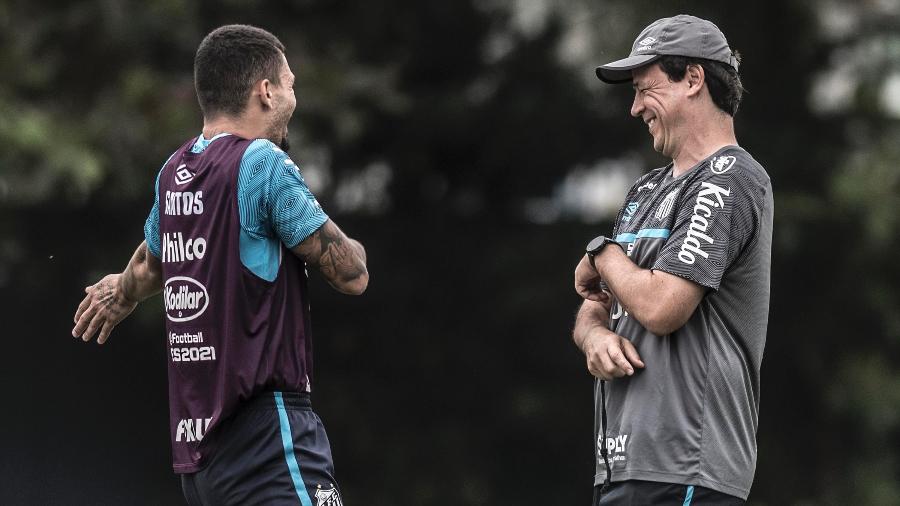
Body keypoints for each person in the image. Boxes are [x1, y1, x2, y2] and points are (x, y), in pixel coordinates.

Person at [72, 24, 366, 506]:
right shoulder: (263, 164)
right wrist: (356, 248)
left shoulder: (175, 172)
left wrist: (121, 293)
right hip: (269, 440)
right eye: (291, 84)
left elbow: (149, 265)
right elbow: (351, 275)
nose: (295, 96)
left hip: (202, 457)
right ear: (265, 92)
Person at [572, 15, 773, 505]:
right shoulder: (646, 189)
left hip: (687, 468)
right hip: (623, 468)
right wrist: (594, 335)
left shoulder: (729, 177)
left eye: (646, 89)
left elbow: (662, 307)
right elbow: (595, 304)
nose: (635, 107)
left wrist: (601, 253)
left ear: (694, 79)